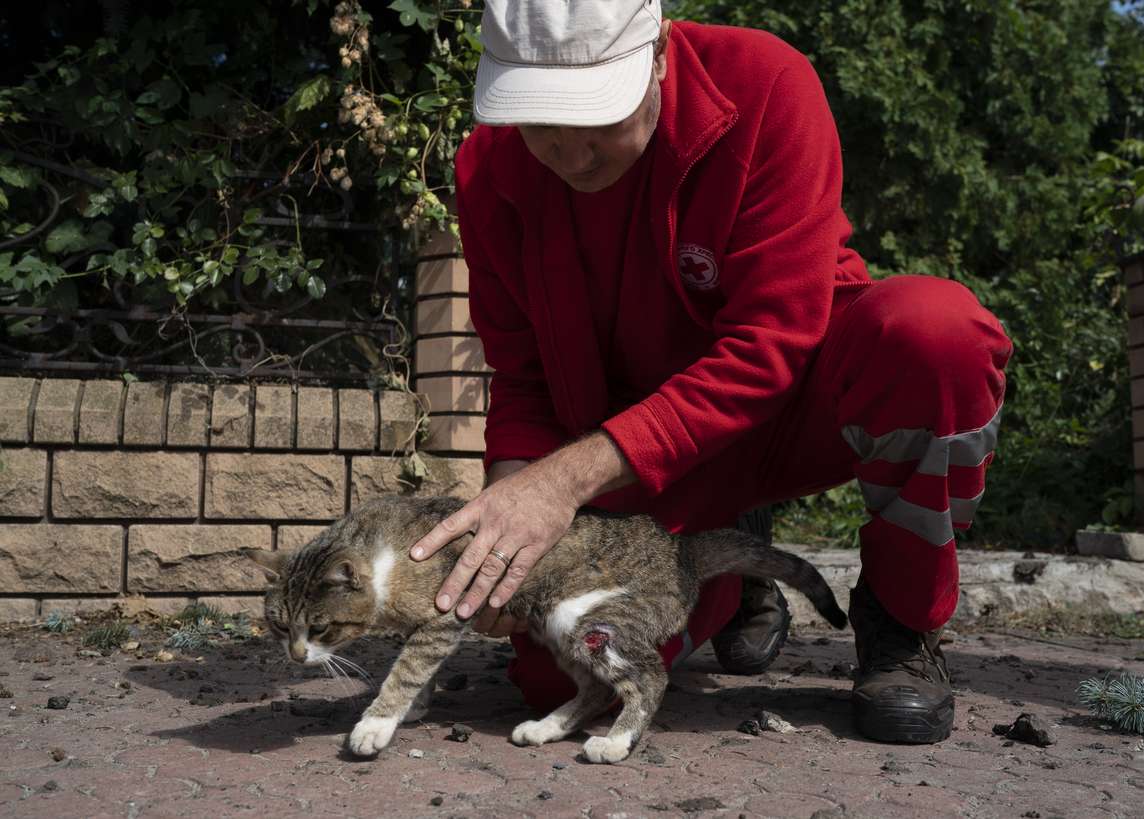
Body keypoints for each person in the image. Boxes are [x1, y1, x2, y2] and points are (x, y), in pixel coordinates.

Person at [409, 0, 1012, 744]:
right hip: (647, 455)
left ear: (659, 51)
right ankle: (735, 564)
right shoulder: (489, 169)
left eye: (594, 117)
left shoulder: (767, 86)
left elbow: (769, 345)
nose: (570, 153)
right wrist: (511, 532)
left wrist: (559, 483)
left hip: (795, 406)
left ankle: (900, 619)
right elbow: (524, 376)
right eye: (539, 123)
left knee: (936, 334)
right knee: (558, 672)